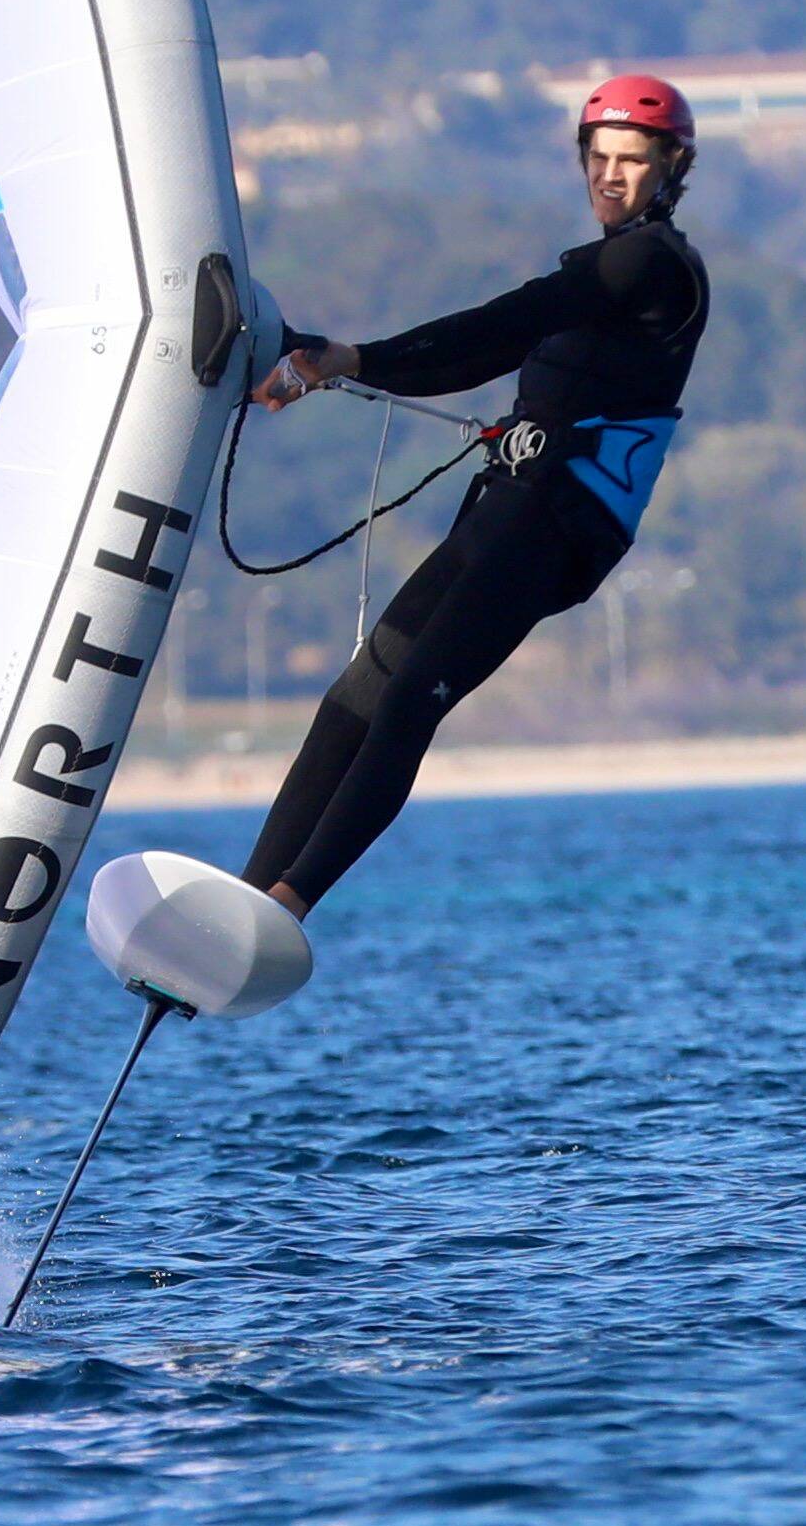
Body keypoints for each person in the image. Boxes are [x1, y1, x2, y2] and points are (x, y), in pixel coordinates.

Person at [234, 74, 710, 917]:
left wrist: (352, 357)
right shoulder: (607, 264)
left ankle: (287, 900)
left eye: (632, 161)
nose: (610, 176)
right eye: (596, 158)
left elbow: (506, 323)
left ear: (672, 167)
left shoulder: (649, 264)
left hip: (561, 523)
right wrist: (343, 358)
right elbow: (468, 361)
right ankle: (242, 898)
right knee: (356, 695)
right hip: (511, 503)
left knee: (411, 694)